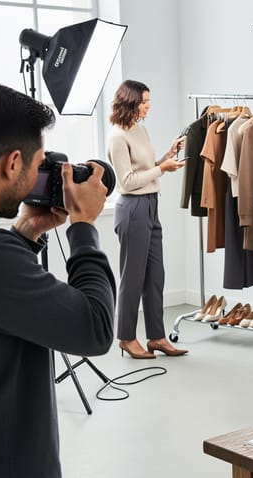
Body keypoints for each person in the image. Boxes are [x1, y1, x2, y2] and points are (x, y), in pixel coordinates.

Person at [0, 82, 115, 478]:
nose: (39, 176)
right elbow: (95, 328)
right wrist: (84, 226)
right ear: (12, 163)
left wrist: (26, 233)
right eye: (37, 164)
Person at [107, 80, 187, 359]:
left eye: (148, 102)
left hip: (151, 206)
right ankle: (126, 337)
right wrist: (161, 169)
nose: (148, 107)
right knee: (133, 276)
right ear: (130, 102)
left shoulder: (140, 129)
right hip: (132, 209)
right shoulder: (117, 136)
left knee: (155, 275)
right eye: (144, 102)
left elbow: (147, 170)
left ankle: (157, 336)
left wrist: (167, 156)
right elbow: (127, 182)